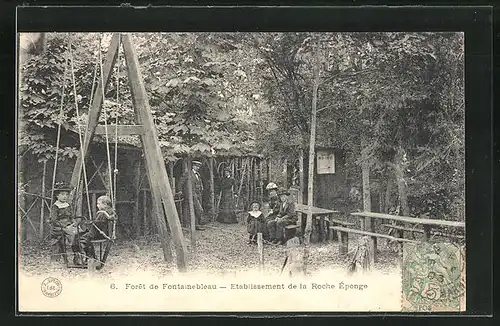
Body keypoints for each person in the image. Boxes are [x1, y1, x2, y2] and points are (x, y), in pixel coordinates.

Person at [48, 182, 81, 265]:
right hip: (58, 226)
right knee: (73, 233)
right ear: (57, 196)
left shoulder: (68, 205)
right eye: (62, 194)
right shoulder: (55, 206)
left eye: (66, 194)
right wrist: (65, 226)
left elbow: (72, 217)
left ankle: (77, 255)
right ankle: (57, 260)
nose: (65, 196)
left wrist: (74, 223)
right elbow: (54, 220)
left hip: (68, 225)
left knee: (79, 232)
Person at [80, 195, 117, 266]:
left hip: (98, 233)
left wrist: (90, 223)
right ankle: (92, 257)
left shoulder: (102, 213)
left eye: (99, 203)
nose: (97, 205)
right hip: (107, 233)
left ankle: (90, 256)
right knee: (86, 238)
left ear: (105, 204)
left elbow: (97, 224)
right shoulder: (111, 212)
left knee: (82, 239)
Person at [178, 160, 206, 230]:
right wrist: (180, 190)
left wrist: (201, 189)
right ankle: (188, 224)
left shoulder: (198, 175)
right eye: (196, 166)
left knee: (195, 209)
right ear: (193, 166)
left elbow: (200, 183)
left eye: (199, 167)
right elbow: (181, 182)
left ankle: (196, 224)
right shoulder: (188, 173)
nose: (198, 168)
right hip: (190, 193)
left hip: (198, 193)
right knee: (197, 208)